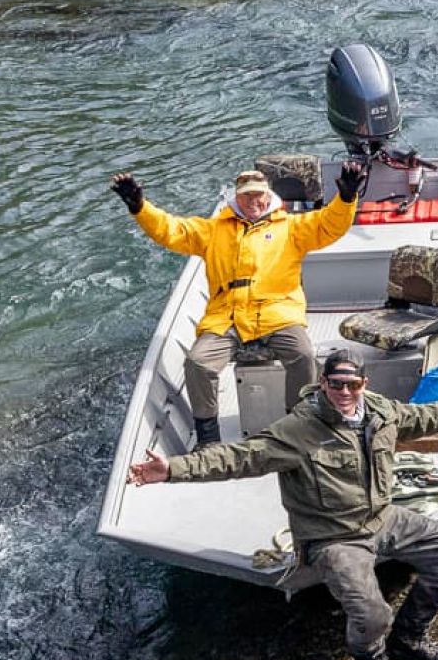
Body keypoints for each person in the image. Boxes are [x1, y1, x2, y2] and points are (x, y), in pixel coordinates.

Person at [127, 350, 438, 660]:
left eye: (351, 384)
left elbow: (425, 417)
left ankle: (409, 638)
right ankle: (370, 657)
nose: (344, 392)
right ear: (322, 383)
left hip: (382, 518)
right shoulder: (299, 430)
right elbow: (240, 456)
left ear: (364, 384)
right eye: (335, 384)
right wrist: (171, 470)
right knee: (371, 614)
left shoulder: (381, 411)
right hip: (333, 537)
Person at [112, 161, 367, 446]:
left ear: (269, 197)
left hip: (278, 314)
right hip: (227, 318)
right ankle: (208, 439)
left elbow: (330, 224)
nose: (254, 201)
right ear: (237, 198)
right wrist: (140, 207)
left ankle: (298, 426)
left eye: (259, 195)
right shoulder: (212, 230)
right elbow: (170, 230)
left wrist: (346, 198)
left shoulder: (293, 227)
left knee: (303, 355)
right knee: (198, 363)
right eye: (247, 196)